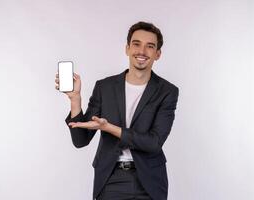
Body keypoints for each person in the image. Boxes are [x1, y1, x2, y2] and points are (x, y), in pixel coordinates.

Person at [55, 21, 179, 200]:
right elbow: (81, 141)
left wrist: (110, 128)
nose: (142, 51)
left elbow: (154, 143)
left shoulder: (167, 91)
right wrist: (75, 99)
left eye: (150, 46)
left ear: (157, 54)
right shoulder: (104, 87)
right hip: (111, 178)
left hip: (149, 181)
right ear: (127, 48)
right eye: (136, 44)